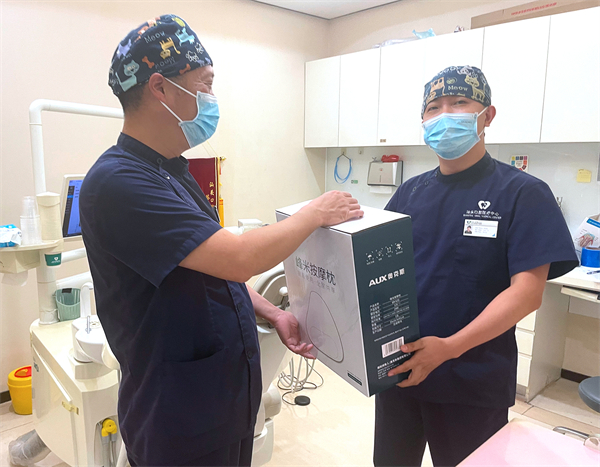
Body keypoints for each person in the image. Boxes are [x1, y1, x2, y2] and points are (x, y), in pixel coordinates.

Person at [79, 15, 362, 467]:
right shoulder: (117, 182)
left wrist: (271, 311)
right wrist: (315, 213)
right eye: (205, 84)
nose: (211, 98)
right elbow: (238, 259)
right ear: (160, 87)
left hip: (222, 404)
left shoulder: (171, 170)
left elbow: (211, 267)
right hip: (177, 417)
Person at [374, 65, 578, 467]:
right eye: (433, 107)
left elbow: (527, 294)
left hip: (471, 381)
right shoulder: (409, 193)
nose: (444, 115)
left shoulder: (523, 193)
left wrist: (448, 348)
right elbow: (379, 275)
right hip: (401, 370)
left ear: (487, 116)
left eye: (459, 103)